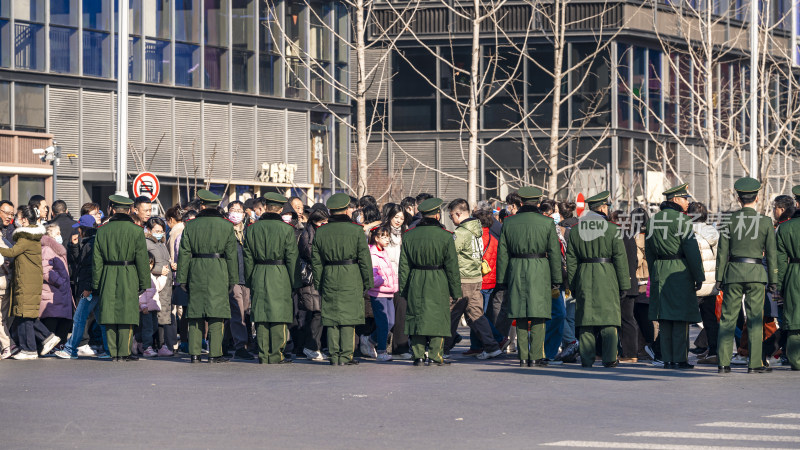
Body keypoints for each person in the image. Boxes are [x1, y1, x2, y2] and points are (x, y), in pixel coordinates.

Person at [715, 177, 777, 374]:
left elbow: (722, 252)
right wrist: (774, 280)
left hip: (733, 272)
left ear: (738, 198)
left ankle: (724, 362)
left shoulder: (728, 220)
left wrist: (719, 278)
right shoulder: (766, 222)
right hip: (757, 273)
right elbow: (772, 254)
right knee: (755, 319)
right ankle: (754, 363)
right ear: (757, 198)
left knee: (727, 319)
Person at [496, 187, 562, 367]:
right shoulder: (547, 223)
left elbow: (502, 254)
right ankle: (536, 356)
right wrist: (557, 279)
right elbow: (554, 253)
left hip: (516, 268)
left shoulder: (509, 223)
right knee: (539, 314)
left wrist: (502, 279)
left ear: (521, 202)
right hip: (540, 269)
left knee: (521, 313)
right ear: (538, 203)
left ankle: (523, 356)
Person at [565, 191, 630, 368]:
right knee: (609, 319)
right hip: (607, 275)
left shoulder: (576, 230)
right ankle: (609, 358)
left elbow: (571, 261)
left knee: (586, 320)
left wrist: (574, 284)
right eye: (607, 207)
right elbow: (620, 260)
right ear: (602, 208)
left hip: (584, 275)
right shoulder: (613, 229)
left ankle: (587, 359)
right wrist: (624, 285)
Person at [646, 183, 705, 370]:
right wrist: (699, 276)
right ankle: (679, 359)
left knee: (664, 318)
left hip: (660, 270)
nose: (688, 202)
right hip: (679, 271)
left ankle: (667, 359)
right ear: (675, 200)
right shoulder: (683, 221)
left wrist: (654, 271)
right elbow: (692, 252)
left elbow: (649, 253)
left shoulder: (652, 221)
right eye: (685, 198)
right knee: (680, 318)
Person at [310, 193, 373, 366]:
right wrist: (367, 281)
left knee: (331, 316)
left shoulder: (321, 231)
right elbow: (365, 258)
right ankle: (346, 356)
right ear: (346, 210)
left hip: (329, 273)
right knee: (348, 316)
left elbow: (316, 260)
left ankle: (334, 354)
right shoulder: (356, 230)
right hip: (351, 273)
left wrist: (319, 281)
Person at [177, 189, 239, 363]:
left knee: (195, 313)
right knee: (216, 313)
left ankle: (194, 353)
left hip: (196, 269)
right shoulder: (226, 225)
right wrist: (232, 279)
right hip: (218, 270)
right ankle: (214, 354)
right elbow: (231, 255)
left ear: (202, 206)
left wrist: (182, 278)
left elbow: (184, 253)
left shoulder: (191, 225)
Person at [398, 198, 461, 366]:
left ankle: (418, 355)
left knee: (417, 317)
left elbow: (403, 266)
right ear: (437, 215)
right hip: (438, 278)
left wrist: (404, 289)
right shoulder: (446, 236)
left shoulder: (409, 235)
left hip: (415, 278)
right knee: (437, 318)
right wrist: (456, 292)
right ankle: (435, 355)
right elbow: (452, 268)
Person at [93, 196, 151, 361]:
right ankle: (124, 352)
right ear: (129, 210)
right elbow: (142, 259)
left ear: (111, 209)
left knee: (110, 313)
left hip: (108, 272)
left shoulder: (102, 230)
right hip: (129, 272)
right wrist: (144, 282)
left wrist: (96, 283)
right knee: (127, 313)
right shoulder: (136, 230)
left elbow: (96, 260)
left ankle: (113, 352)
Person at [244, 192, 300, 364]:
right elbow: (292, 257)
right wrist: (295, 282)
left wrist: (249, 279)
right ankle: (276, 354)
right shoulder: (287, 230)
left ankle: (263, 354)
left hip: (259, 272)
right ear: (281, 209)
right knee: (279, 315)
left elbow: (247, 257)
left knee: (260, 315)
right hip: (280, 272)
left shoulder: (252, 228)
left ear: (266, 207)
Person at [444, 198, 502, 360]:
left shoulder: (461, 233)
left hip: (463, 278)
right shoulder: (477, 229)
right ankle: (491, 346)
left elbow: (450, 255)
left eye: (451, 216)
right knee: (477, 314)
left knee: (452, 314)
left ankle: (443, 349)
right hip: (476, 278)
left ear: (458, 213)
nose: (452, 220)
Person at [0, 206, 59, 359]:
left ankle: (40, 342)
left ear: (25, 220)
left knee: (26, 315)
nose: (16, 220)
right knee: (24, 315)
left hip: (27, 281)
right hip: (28, 280)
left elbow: (11, 252)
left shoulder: (26, 237)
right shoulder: (31, 236)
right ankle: (34, 346)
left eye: (18, 217)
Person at [55, 215, 111, 360]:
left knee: (79, 318)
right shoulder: (92, 242)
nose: (78, 231)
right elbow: (82, 263)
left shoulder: (90, 244)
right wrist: (74, 246)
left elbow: (91, 268)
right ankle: (109, 350)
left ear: (84, 229)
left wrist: (88, 288)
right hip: (97, 288)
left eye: (79, 228)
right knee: (102, 320)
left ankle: (70, 349)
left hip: (90, 289)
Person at [689, 202, 721, 366]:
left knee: (684, 319)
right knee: (710, 319)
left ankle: (678, 351)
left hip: (694, 283)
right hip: (711, 284)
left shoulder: (687, 231)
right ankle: (714, 351)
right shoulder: (713, 232)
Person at [296, 204, 328, 360]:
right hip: (311, 278)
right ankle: (310, 346)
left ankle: (314, 346)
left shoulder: (313, 232)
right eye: (323, 222)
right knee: (315, 313)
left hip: (318, 277)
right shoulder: (307, 234)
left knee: (317, 313)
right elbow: (310, 253)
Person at [382, 204, 412, 359]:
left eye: (402, 218)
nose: (399, 221)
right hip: (383, 279)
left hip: (401, 279)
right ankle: (376, 343)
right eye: (396, 217)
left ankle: (400, 348)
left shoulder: (406, 234)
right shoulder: (382, 232)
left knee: (401, 313)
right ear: (390, 217)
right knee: (385, 316)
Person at [225, 200, 254, 361]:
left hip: (246, 277)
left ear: (244, 214)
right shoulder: (226, 231)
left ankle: (227, 342)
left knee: (245, 312)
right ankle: (240, 346)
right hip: (233, 277)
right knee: (238, 312)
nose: (236, 213)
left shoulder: (248, 232)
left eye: (239, 210)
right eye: (232, 210)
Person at [776, 186, 800, 371]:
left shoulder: (785, 228)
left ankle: (796, 360)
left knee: (793, 318)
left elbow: (781, 261)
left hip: (794, 273)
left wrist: (780, 285)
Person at [366, 226, 399, 362]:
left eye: (388, 236)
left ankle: (370, 339)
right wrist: (383, 280)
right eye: (384, 236)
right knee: (383, 323)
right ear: (376, 238)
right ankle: (381, 351)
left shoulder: (384, 252)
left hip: (389, 291)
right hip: (378, 293)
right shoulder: (372, 254)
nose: (387, 239)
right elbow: (372, 276)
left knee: (391, 322)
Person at [144, 217, 175, 357]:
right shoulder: (146, 243)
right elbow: (146, 263)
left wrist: (171, 266)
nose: (160, 233)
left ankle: (161, 345)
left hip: (165, 285)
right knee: (153, 319)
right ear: (149, 230)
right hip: (154, 285)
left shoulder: (161, 243)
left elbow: (164, 260)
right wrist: (157, 271)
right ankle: (153, 345)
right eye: (157, 231)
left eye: (162, 231)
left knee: (162, 317)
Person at [39, 224, 73, 344]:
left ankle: (58, 345)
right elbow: (45, 270)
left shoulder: (57, 249)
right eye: (57, 233)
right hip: (51, 291)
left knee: (63, 321)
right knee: (51, 321)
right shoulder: (47, 249)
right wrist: (60, 281)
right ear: (49, 235)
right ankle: (50, 346)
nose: (60, 236)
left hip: (59, 292)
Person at [139, 253, 166, 357]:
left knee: (153, 327)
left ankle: (140, 342)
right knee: (148, 328)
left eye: (151, 263)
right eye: (148, 263)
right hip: (146, 308)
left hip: (153, 307)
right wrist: (143, 305)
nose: (150, 266)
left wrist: (163, 276)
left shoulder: (151, 276)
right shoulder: (142, 276)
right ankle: (146, 347)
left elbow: (157, 287)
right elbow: (141, 293)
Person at [0, 217, 16, 359]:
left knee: (0, 319)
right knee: (4, 317)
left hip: (1, 282)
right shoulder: (7, 242)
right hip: (7, 282)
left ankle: (7, 345)